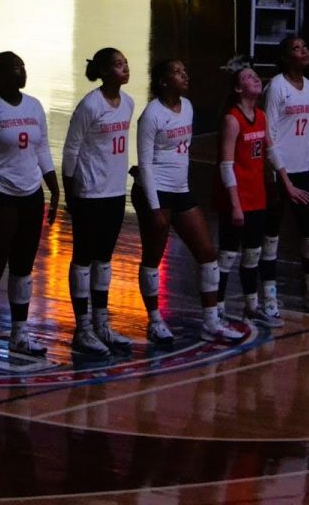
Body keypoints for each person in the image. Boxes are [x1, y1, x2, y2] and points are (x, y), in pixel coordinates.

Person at [134, 59, 243, 345]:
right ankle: (155, 321)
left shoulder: (189, 107)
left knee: (207, 252)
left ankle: (211, 321)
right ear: (163, 81)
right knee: (153, 258)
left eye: (185, 70)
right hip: (154, 192)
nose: (185, 75)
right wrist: (155, 207)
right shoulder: (151, 115)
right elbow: (144, 164)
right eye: (177, 72)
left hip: (181, 190)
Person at [0, 51, 61, 361]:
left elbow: (42, 148)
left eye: (23, 65)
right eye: (15, 67)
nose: (22, 71)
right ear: (0, 73)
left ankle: (20, 333)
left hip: (31, 195)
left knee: (24, 266)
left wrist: (53, 185)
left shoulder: (34, 106)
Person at [62, 47, 136, 355]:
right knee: (83, 257)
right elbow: (70, 150)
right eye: (118, 64)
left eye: (126, 62)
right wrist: (69, 194)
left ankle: (102, 323)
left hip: (115, 192)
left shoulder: (128, 103)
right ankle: (83, 328)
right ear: (105, 71)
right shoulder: (90, 105)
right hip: (89, 192)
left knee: (104, 258)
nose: (125, 68)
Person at [262, 36, 309, 314]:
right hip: (276, 173)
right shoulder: (276, 88)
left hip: (302, 171)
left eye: (306, 47)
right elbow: (267, 134)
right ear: (284, 57)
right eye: (296, 48)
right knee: (270, 237)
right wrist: (279, 177)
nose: (304, 51)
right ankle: (268, 297)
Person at [214, 65, 281, 325]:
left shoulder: (261, 116)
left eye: (256, 76)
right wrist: (235, 205)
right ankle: (217, 308)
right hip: (235, 199)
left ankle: (251, 306)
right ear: (238, 88)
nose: (256, 79)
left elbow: (271, 154)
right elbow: (226, 165)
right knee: (228, 256)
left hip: (257, 197)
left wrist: (285, 182)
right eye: (249, 77)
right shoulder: (232, 118)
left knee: (253, 254)